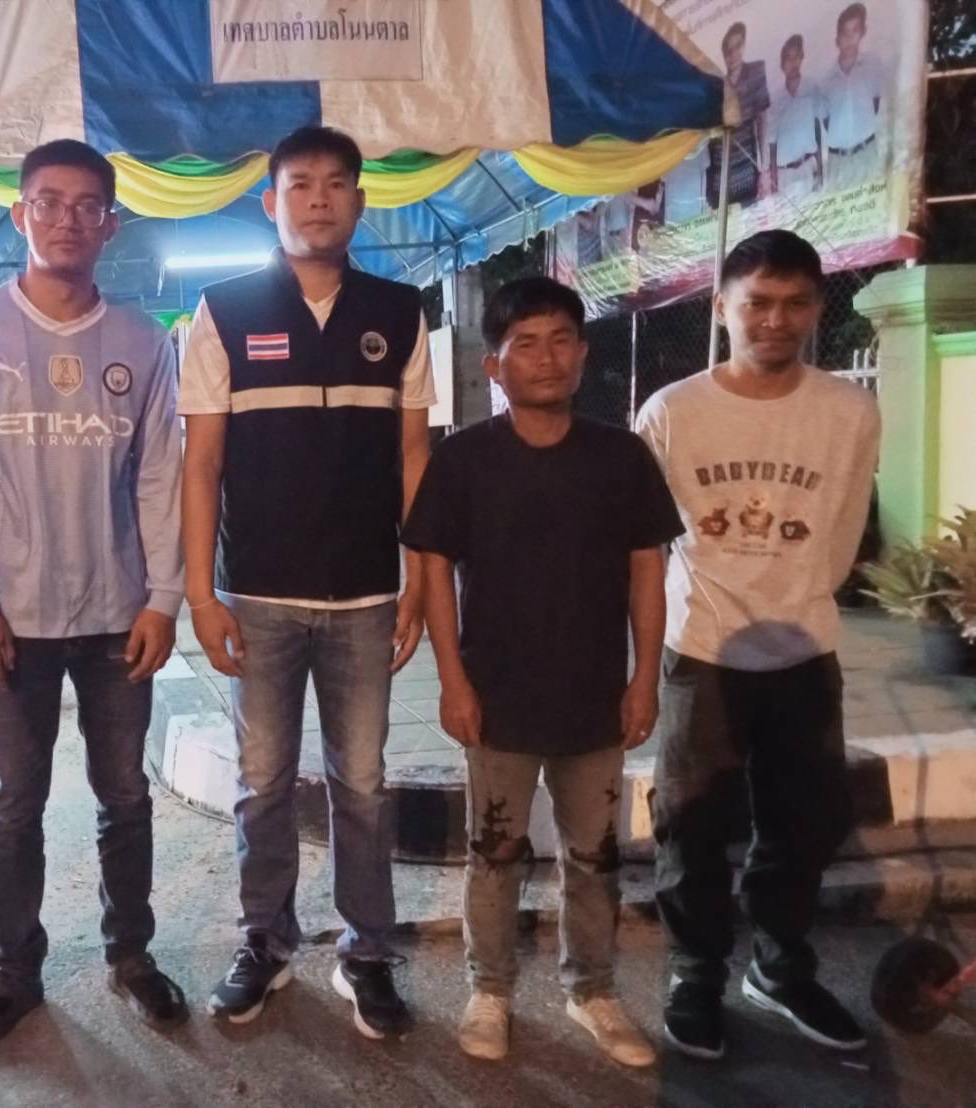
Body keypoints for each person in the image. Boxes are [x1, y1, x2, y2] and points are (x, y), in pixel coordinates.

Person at [0, 139, 187, 1059]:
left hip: (119, 614)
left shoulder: (143, 341)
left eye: (86, 206)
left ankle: (131, 956)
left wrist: (164, 597)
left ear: (109, 223)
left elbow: (159, 474)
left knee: (126, 797)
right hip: (13, 620)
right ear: (20, 214)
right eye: (47, 202)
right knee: (13, 807)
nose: (67, 219)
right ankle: (12, 972)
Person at [180, 125, 434, 1039]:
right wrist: (200, 596)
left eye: (335, 184)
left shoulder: (399, 311)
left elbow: (414, 455)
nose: (318, 199)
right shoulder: (223, 311)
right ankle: (265, 941)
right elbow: (200, 464)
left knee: (361, 785)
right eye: (299, 184)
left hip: (366, 594)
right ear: (271, 202)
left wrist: (417, 581)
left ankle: (366, 953)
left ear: (359, 201)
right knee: (262, 784)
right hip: (257, 596)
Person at [402, 277, 682, 1067]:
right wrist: (452, 681)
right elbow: (432, 571)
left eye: (560, 340)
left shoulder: (620, 457)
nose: (546, 358)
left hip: (595, 697)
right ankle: (489, 990)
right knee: (494, 853)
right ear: (493, 366)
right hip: (495, 698)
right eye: (524, 344)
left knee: (592, 856)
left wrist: (643, 680)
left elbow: (647, 571)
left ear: (582, 354)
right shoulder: (462, 460)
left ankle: (592, 989)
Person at [635, 229, 879, 1061]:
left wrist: (799, 597)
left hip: (803, 648)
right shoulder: (672, 412)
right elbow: (644, 542)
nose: (775, 320)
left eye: (795, 303)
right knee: (689, 824)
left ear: (815, 308)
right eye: (757, 303)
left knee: (803, 822)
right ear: (721, 309)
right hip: (700, 648)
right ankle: (695, 973)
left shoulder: (848, 411)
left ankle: (778, 967)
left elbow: (842, 528)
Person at [707, 22, 769, 209]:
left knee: (752, 218)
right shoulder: (717, 86)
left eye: (737, 46)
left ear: (744, 46)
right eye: (728, 50)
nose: (732, 54)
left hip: (747, 169)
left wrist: (764, 169)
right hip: (720, 175)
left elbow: (763, 120)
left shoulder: (755, 72)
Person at [823, 2, 884, 191]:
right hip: (838, 161)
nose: (849, 38)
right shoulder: (827, 80)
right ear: (837, 39)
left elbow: (875, 104)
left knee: (872, 205)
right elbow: (826, 121)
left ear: (863, 32)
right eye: (844, 32)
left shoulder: (873, 64)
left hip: (866, 154)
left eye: (855, 30)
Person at [769, 34, 826, 198]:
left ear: (802, 58)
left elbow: (817, 131)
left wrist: (820, 172)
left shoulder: (812, 87)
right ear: (782, 65)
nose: (793, 62)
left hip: (808, 167)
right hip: (785, 176)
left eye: (797, 57)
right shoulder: (775, 100)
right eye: (789, 58)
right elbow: (772, 146)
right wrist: (774, 186)